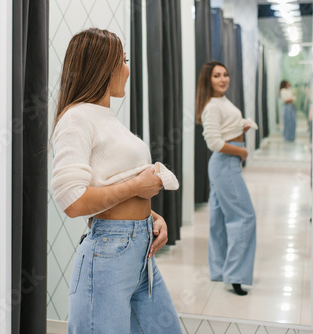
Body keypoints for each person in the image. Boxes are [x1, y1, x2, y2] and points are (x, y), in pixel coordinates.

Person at [51, 28, 183, 334]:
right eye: (122, 60)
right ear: (102, 67)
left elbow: (110, 181)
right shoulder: (76, 118)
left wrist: (150, 216)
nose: (127, 69)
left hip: (139, 249)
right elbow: (72, 201)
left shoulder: (107, 118)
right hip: (110, 251)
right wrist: (136, 188)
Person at [195, 61, 257, 296]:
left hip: (224, 165)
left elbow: (226, 130)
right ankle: (236, 275)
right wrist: (241, 151)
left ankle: (220, 270)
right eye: (217, 75)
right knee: (245, 216)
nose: (223, 79)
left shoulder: (222, 102)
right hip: (225, 165)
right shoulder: (212, 106)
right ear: (208, 80)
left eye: (225, 74)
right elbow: (214, 143)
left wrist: (243, 127)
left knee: (219, 219)